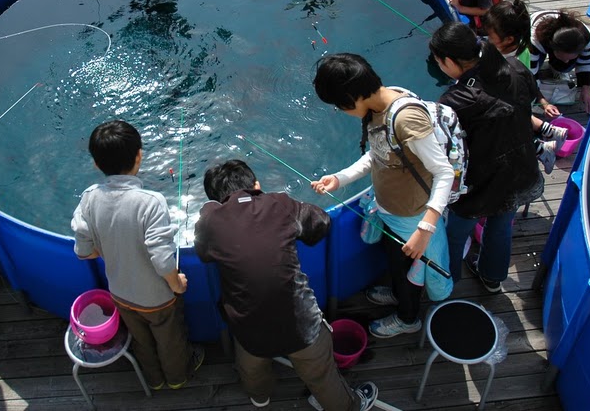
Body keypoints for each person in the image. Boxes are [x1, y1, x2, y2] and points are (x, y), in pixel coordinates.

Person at [195, 159, 379, 411]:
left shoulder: (210, 221)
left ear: (217, 200)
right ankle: (348, 406)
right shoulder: (279, 203)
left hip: (249, 329)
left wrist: (210, 210)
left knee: (251, 366)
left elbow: (203, 253)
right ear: (256, 185)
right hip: (301, 326)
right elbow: (321, 223)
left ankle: (260, 397)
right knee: (321, 375)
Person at [311, 54, 454, 338]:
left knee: (410, 273)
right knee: (397, 264)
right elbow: (378, 153)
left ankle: (408, 318)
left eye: (339, 105)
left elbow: (444, 172)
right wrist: (340, 178)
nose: (341, 110)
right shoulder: (378, 105)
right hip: (392, 211)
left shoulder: (406, 119)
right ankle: (398, 293)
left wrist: (425, 229)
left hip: (413, 218)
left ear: (351, 98)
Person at [71, 120, 204, 390]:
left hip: (119, 293)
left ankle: (154, 381)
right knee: (170, 341)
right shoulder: (151, 202)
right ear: (139, 155)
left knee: (141, 340)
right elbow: (162, 259)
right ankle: (177, 379)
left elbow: (83, 251)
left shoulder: (89, 197)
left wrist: (107, 249)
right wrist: (176, 284)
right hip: (157, 299)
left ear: (96, 163)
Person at [430, 22, 544, 291]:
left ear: (449, 61)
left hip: (480, 185)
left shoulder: (455, 101)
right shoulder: (515, 68)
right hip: (520, 170)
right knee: (501, 226)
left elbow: (447, 150)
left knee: (454, 235)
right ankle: (492, 278)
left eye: (439, 61)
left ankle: (446, 284)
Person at [483, 0, 569, 174]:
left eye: (491, 36)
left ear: (508, 39)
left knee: (509, 132)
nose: (487, 38)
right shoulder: (522, 48)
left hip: (512, 102)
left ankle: (541, 149)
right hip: (521, 100)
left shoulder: (508, 63)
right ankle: (550, 131)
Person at [529, 9, 590, 114]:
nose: (566, 61)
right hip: (538, 32)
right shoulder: (535, 42)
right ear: (553, 49)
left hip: (558, 37)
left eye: (571, 58)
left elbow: (586, 63)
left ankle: (557, 66)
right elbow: (530, 75)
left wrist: (586, 89)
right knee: (532, 68)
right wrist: (543, 102)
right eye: (562, 57)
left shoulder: (588, 40)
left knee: (564, 67)